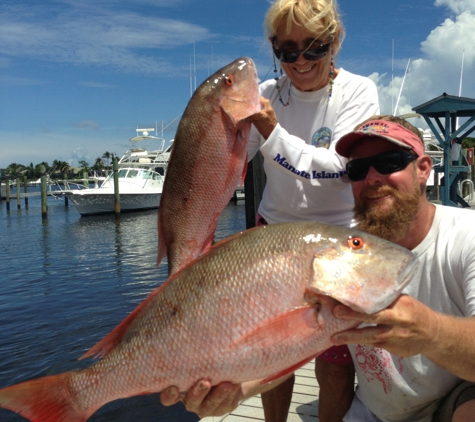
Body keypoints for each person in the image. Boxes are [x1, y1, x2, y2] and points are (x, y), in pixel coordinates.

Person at [160, 115, 475, 422]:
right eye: (358, 169)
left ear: (422, 170)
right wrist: (237, 391)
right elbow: (299, 343)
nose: (373, 177)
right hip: (375, 411)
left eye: (391, 162)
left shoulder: (466, 235)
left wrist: (430, 332)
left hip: (454, 399)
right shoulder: (342, 256)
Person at [241, 0, 379, 419]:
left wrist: (272, 131)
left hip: (336, 242)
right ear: (274, 48)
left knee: (335, 364)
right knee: (272, 357)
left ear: (334, 42)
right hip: (273, 236)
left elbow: (340, 169)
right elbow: (231, 165)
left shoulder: (359, 91)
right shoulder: (264, 95)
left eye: (314, 48)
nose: (300, 62)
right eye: (287, 51)